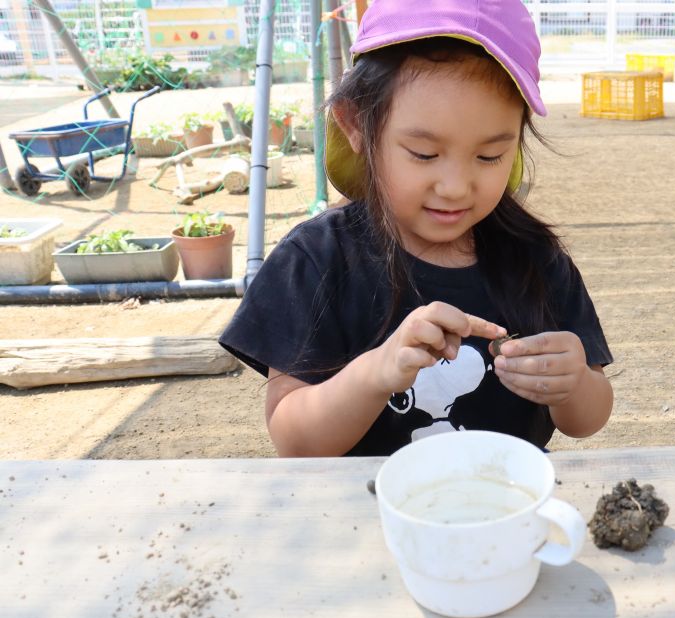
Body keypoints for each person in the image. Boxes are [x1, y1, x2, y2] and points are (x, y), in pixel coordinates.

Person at [219, 0, 614, 457]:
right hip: (369, 516)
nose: (454, 187)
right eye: (424, 154)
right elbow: (295, 440)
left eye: (489, 156)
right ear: (356, 125)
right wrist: (378, 371)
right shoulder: (317, 260)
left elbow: (589, 419)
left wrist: (574, 383)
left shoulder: (534, 257)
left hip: (505, 509)